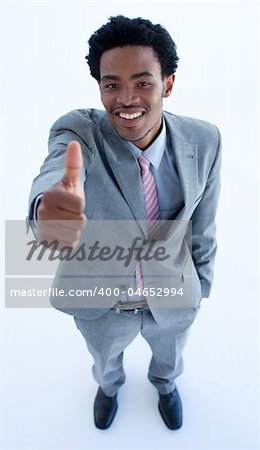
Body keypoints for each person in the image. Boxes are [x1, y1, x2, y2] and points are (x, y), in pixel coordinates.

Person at [28, 15, 221, 430]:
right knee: (104, 362)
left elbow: (203, 224)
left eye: (143, 82)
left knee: (170, 358)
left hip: (173, 292)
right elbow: (59, 166)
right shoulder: (80, 130)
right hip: (102, 301)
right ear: (99, 85)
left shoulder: (205, 140)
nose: (126, 99)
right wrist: (50, 204)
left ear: (168, 83)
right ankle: (110, 387)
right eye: (111, 83)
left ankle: (165, 385)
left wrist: (200, 285)